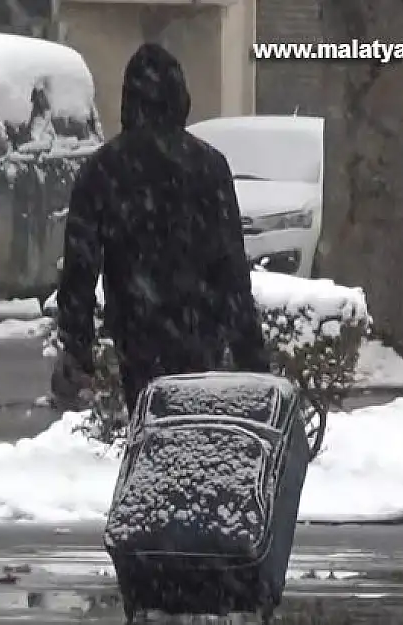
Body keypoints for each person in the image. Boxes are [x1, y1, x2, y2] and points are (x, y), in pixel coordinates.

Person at [55, 42, 270, 415]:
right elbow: (233, 268)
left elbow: (80, 269)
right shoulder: (210, 167)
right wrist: (250, 354)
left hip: (137, 330)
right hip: (202, 328)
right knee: (199, 431)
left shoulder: (103, 170)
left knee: (153, 429)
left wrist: (77, 347)